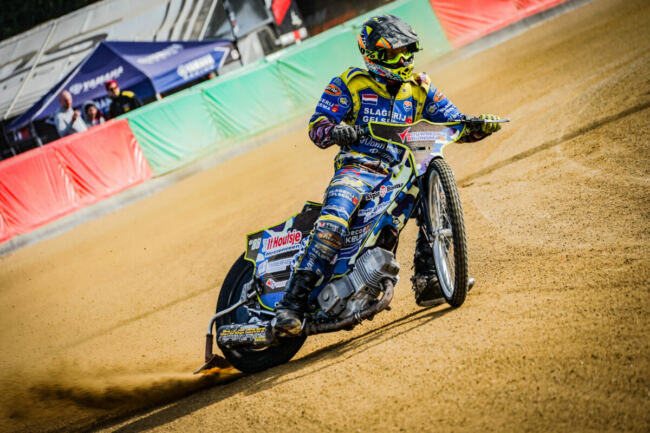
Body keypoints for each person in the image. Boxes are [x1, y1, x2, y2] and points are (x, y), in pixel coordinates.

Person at [273, 15, 502, 334]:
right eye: (396, 52)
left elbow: (453, 124)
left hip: (399, 174)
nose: (405, 59)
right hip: (356, 170)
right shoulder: (350, 83)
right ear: (375, 55)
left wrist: (477, 127)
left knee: (431, 195)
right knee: (334, 222)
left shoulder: (420, 88)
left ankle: (429, 279)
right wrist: (336, 131)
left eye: (408, 51)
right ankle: (291, 304)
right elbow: (317, 127)